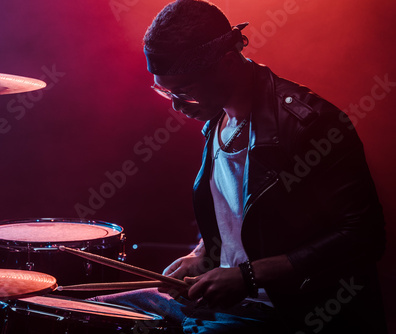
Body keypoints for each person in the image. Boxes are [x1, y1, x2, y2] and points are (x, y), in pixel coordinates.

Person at [92, 0, 387, 333]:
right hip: (223, 304)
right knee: (87, 314)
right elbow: (238, 219)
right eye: (166, 92)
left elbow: (364, 237)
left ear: (229, 63)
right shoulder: (217, 120)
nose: (176, 106)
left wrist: (249, 277)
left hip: (289, 311)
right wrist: (202, 254)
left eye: (185, 92)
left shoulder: (312, 125)